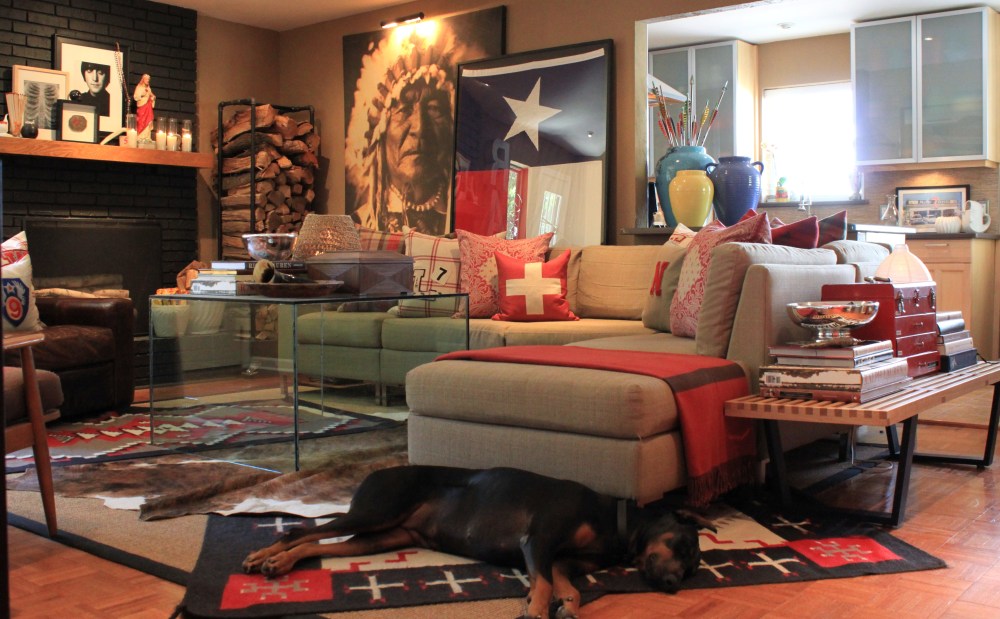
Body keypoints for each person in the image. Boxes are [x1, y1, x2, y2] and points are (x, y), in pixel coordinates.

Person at [346, 28, 474, 235]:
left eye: (434, 108)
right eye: (404, 110)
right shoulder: (357, 224)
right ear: (379, 133)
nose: (420, 128)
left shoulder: (470, 221)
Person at [133, 73, 155, 140]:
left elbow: (152, 96)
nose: (148, 80)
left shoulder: (148, 88)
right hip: (142, 107)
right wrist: (143, 94)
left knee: (148, 121)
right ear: (143, 79)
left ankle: (147, 137)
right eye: (146, 79)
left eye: (148, 79)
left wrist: (152, 97)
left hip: (148, 107)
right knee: (142, 121)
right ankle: (141, 136)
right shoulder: (139, 87)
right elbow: (136, 97)